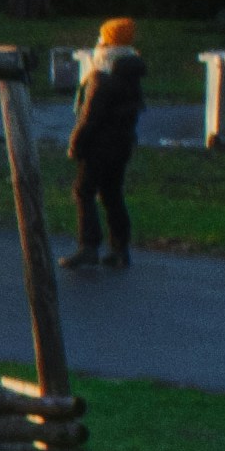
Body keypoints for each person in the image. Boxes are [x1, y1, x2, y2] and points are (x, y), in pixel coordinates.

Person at [68, 16, 148, 271]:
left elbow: (89, 116)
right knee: (113, 193)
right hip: (122, 143)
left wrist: (76, 143)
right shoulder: (131, 73)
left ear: (108, 41)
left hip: (98, 145)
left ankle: (88, 246)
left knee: (84, 191)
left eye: (102, 37)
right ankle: (120, 249)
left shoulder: (102, 74)